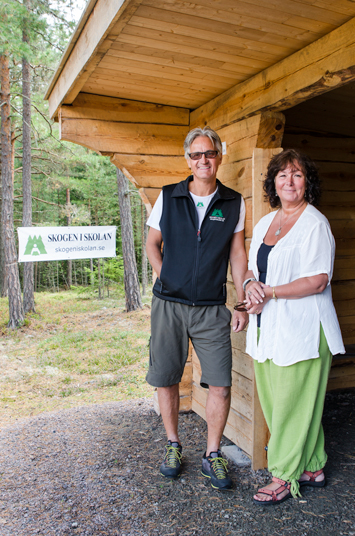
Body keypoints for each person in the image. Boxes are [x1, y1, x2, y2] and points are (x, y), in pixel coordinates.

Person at [145, 126, 248, 490]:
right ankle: (173, 445)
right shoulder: (169, 196)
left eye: (210, 153)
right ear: (188, 159)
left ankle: (211, 454)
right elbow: (151, 244)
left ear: (219, 156)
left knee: (219, 383)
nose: (203, 160)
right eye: (196, 154)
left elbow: (237, 254)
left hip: (210, 308)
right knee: (166, 377)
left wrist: (241, 301)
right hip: (168, 305)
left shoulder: (234, 202)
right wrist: (166, 278)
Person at [243, 149, 345, 505]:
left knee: (291, 404)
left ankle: (284, 476)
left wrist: (269, 291)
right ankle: (313, 466)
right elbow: (254, 269)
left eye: (297, 174)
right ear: (274, 182)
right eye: (282, 174)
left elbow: (318, 280)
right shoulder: (265, 223)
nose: (289, 181)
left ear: (307, 184)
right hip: (268, 327)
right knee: (278, 401)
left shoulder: (315, 223)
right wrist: (250, 287)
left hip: (303, 330)